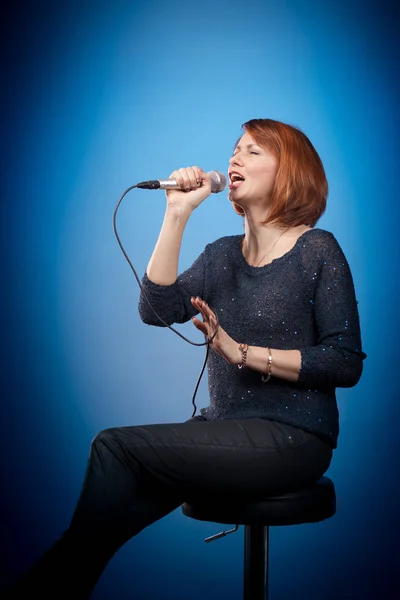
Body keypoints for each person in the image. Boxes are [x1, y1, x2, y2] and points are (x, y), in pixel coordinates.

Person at [3, 118, 366, 599]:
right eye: (235, 149)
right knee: (101, 516)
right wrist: (176, 212)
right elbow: (155, 309)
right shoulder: (221, 257)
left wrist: (243, 354)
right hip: (223, 431)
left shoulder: (318, 250)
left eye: (254, 151)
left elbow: (345, 362)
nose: (235, 158)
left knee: (115, 448)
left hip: (294, 439)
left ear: (290, 171)